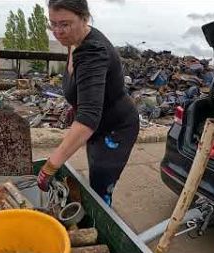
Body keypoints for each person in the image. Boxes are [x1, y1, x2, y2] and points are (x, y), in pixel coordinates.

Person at [37, 0, 140, 206]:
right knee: (95, 176)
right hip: (97, 126)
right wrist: (75, 103)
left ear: (84, 18)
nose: (58, 32)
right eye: (53, 24)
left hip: (115, 129)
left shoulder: (93, 52)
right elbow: (86, 88)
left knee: (101, 187)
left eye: (64, 24)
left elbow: (88, 118)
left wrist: (50, 166)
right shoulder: (75, 40)